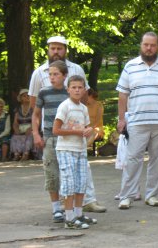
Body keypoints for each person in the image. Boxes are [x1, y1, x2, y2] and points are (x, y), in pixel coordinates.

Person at [29, 35, 106, 213]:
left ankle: (89, 201)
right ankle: (62, 207)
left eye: (59, 48)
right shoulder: (39, 72)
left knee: (82, 166)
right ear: (48, 50)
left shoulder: (76, 69)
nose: (56, 52)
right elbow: (35, 106)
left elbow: (85, 99)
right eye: (52, 48)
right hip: (52, 133)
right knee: (54, 169)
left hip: (76, 130)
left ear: (66, 49)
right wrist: (36, 133)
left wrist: (86, 126)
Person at [116, 31, 158, 209]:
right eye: (146, 45)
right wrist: (122, 119)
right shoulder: (130, 66)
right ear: (141, 46)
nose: (149, 48)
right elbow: (122, 94)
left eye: (152, 45)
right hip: (136, 122)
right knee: (132, 159)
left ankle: (152, 195)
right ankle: (127, 196)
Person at [53, 75, 97, 229]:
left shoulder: (83, 108)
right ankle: (69, 218)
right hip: (66, 150)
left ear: (84, 90)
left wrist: (88, 130)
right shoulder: (65, 106)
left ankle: (78, 214)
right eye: (74, 87)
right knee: (69, 184)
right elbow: (56, 130)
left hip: (80, 149)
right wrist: (76, 132)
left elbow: (85, 128)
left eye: (80, 87)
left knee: (81, 182)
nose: (77, 90)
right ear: (68, 89)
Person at [32, 60, 70, 223]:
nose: (52, 78)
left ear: (64, 76)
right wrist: (36, 134)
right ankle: (56, 208)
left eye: (56, 74)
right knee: (51, 173)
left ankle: (69, 206)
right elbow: (36, 114)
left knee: (68, 173)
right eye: (50, 74)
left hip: (67, 138)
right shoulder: (43, 93)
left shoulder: (70, 93)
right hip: (50, 138)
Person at [10, 89, 34, 161]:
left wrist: (30, 128)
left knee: (29, 136)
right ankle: (16, 154)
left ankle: (25, 154)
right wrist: (16, 129)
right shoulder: (18, 109)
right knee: (14, 137)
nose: (26, 97)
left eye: (28, 96)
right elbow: (15, 123)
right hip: (21, 129)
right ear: (21, 98)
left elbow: (36, 121)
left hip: (31, 128)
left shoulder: (33, 108)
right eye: (24, 96)